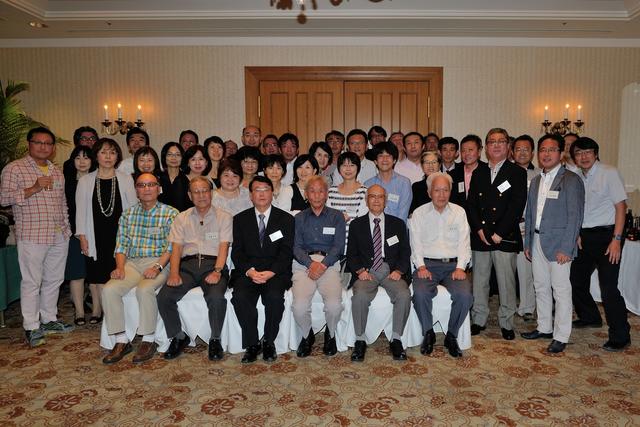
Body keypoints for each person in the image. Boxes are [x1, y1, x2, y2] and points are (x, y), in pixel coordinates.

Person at [1, 127, 74, 347]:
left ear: (52, 148)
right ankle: (31, 326)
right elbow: (4, 199)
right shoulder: (15, 169)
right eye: (38, 142)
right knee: (32, 281)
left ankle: (49, 319)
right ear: (29, 144)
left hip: (58, 234)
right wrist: (32, 188)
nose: (43, 147)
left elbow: (62, 204)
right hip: (32, 234)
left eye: (48, 143)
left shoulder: (56, 171)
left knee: (54, 280)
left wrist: (67, 229)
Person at [101, 173, 178, 365]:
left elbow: (172, 247)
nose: (146, 189)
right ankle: (121, 340)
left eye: (151, 185)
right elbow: (121, 245)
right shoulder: (128, 214)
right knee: (109, 289)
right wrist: (119, 267)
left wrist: (158, 266)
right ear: (136, 190)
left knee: (145, 289)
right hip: (132, 263)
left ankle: (148, 339)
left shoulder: (170, 213)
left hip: (160, 262)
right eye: (141, 185)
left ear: (158, 188)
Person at [521, 134, 584, 354]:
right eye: (543, 150)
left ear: (560, 153)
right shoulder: (537, 180)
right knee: (540, 286)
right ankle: (544, 327)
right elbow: (530, 214)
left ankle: (561, 335)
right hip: (537, 239)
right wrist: (528, 241)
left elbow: (575, 217)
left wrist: (567, 248)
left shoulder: (571, 180)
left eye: (551, 150)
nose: (546, 154)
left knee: (561, 290)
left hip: (559, 244)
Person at [157, 176, 231, 361]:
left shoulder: (224, 216)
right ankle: (179, 336)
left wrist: (217, 271)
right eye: (196, 192)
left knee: (216, 296)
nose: (201, 195)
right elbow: (176, 249)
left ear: (211, 193)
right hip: (187, 266)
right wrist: (173, 273)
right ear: (190, 195)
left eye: (204, 190)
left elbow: (224, 247)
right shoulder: (181, 218)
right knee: (164, 296)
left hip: (212, 265)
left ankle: (215, 339)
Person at [569, 137, 631, 351]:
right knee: (575, 279)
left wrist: (616, 240)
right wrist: (577, 233)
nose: (583, 156)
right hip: (584, 237)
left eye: (587, 152)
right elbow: (578, 209)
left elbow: (621, 207)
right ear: (574, 158)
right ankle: (590, 316)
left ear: (595, 153)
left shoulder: (609, 172)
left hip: (607, 237)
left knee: (608, 288)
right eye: (578, 153)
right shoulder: (576, 177)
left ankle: (621, 335)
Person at [467, 128, 527, 340]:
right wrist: (480, 229)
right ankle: (479, 318)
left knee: (506, 282)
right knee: (480, 281)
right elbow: (471, 204)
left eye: (501, 141)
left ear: (508, 145)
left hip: (504, 236)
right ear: (486, 147)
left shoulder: (517, 172)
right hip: (481, 237)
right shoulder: (479, 172)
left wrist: (499, 233)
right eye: (492, 141)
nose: (496, 145)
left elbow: (516, 205)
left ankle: (506, 322)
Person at [231, 176, 295, 363]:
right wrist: (250, 271)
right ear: (251, 195)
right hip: (249, 271)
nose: (261, 193)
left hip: (275, 272)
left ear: (272, 193)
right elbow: (237, 252)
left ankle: (269, 341)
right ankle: (252, 344)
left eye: (266, 189)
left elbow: (286, 251)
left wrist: (271, 272)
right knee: (240, 298)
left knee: (275, 298)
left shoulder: (285, 219)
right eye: (257, 190)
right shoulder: (240, 219)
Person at [409, 172, 473, 358]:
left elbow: (464, 243)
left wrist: (461, 267)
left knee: (465, 295)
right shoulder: (419, 213)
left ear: (450, 192)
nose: (441, 194)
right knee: (420, 293)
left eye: (445, 190)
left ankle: (451, 336)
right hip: (427, 264)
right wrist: (421, 267)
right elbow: (416, 244)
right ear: (429, 192)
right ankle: (428, 333)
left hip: (453, 266)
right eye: (437, 190)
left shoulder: (459, 212)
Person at [76, 138, 138, 326]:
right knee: (97, 274)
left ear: (117, 156)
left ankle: (118, 312)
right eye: (103, 152)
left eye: (112, 152)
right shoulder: (86, 181)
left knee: (119, 273)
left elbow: (134, 208)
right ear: (96, 155)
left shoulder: (126, 178)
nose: (108, 156)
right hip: (94, 233)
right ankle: (99, 310)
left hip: (119, 234)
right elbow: (80, 211)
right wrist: (82, 237)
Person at [346, 185, 411, 362]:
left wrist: (399, 270)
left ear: (386, 200)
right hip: (368, 271)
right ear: (367, 200)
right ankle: (360, 340)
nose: (376, 200)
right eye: (372, 196)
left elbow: (405, 252)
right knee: (359, 295)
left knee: (404, 294)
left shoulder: (398, 224)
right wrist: (359, 271)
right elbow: (351, 253)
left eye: (380, 197)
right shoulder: (356, 225)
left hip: (391, 270)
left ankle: (396, 339)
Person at [292, 176, 346, 357]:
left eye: (321, 191)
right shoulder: (299, 218)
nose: (316, 195)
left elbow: (338, 247)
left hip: (329, 264)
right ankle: (307, 336)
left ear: (326, 194)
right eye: (312, 191)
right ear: (306, 194)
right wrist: (310, 264)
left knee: (334, 306)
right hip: (303, 265)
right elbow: (296, 247)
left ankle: (330, 335)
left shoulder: (336, 216)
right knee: (299, 306)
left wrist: (322, 264)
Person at [64, 146, 95, 326]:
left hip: (96, 234)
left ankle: (97, 310)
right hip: (73, 234)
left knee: (95, 275)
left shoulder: (98, 180)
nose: (82, 162)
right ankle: (79, 311)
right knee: (76, 274)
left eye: (86, 158)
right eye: (78, 158)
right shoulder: (66, 183)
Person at [512, 134, 541, 323]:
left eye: (526, 149)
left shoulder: (540, 174)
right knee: (507, 270)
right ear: (512, 152)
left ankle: (527, 307)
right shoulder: (506, 172)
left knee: (526, 269)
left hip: (528, 227)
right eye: (518, 149)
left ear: (532, 152)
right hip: (507, 227)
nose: (522, 152)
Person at [326, 152, 368, 254]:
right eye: (344, 165)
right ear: (339, 169)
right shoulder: (331, 191)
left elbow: (362, 222)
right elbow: (327, 219)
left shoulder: (365, 192)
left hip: (357, 246)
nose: (348, 169)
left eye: (352, 165)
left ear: (358, 168)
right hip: (333, 246)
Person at [365, 142, 412, 223]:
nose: (385, 159)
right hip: (375, 230)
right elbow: (366, 211)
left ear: (394, 160)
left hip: (397, 230)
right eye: (381, 156)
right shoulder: (368, 184)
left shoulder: (404, 183)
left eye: (388, 156)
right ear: (375, 161)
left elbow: (403, 214)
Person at [448, 134, 487, 210]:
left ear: (479, 151)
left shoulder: (487, 171)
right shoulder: (453, 174)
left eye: (470, 150)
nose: (466, 154)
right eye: (463, 151)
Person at [158, 142, 192, 212]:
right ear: (164, 157)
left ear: (182, 158)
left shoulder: (188, 180)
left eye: (178, 154)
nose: (174, 158)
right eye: (170, 154)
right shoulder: (157, 179)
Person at [409, 151, 440, 216]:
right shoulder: (416, 187)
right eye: (426, 162)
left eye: (434, 162)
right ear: (422, 166)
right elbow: (412, 211)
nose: (430, 165)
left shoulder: (447, 184)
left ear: (439, 165)